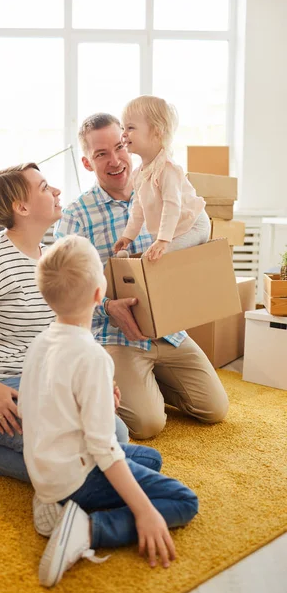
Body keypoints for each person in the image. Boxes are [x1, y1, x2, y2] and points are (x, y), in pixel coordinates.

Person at [0, 163, 129, 491]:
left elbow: (59, 335)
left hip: (31, 379)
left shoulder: (49, 260)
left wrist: (94, 382)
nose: (56, 191)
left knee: (116, 433)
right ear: (21, 208)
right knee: (69, 457)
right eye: (44, 187)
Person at [19, 235, 199, 588]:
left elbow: (37, 408)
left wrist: (102, 402)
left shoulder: (41, 342)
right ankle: (85, 529)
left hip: (47, 467)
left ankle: (53, 502)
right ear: (100, 295)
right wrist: (145, 512)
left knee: (151, 459)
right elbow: (104, 449)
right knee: (183, 500)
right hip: (75, 475)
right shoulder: (92, 356)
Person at [55, 113, 229, 439]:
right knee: (148, 424)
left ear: (131, 145)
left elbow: (188, 249)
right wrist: (107, 307)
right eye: (101, 154)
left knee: (214, 409)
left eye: (120, 146)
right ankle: (109, 381)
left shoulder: (160, 189)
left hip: (168, 329)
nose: (116, 160)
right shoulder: (75, 216)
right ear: (87, 163)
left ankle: (152, 381)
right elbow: (62, 289)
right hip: (116, 337)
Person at [114, 95, 211, 261]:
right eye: (122, 127)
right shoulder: (139, 174)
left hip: (193, 226)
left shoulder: (167, 169)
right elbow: (138, 209)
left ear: (157, 131)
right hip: (174, 230)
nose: (123, 134)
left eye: (130, 128)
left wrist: (163, 240)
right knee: (150, 257)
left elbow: (172, 205)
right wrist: (128, 236)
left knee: (151, 258)